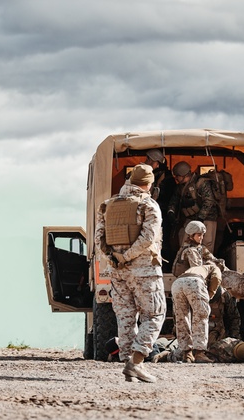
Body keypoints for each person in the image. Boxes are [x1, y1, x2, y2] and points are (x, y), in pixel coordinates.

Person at [94, 163, 166, 383]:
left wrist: (114, 258)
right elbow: (147, 239)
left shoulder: (107, 205)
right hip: (143, 271)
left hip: (117, 272)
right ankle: (135, 363)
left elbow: (99, 239)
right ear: (149, 183)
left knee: (125, 318)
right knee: (155, 315)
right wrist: (128, 256)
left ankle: (127, 363)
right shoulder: (149, 205)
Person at [168, 161, 225, 255]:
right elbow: (174, 201)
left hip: (207, 219)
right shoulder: (180, 188)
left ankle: (206, 267)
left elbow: (209, 201)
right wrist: (171, 212)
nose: (176, 179)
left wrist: (201, 217)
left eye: (177, 176)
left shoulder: (201, 183)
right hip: (191, 219)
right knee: (185, 244)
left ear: (183, 175)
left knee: (206, 247)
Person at [171, 262, 223, 363]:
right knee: (201, 316)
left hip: (177, 283)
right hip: (194, 282)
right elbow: (216, 279)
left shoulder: (195, 268)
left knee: (182, 318)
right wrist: (209, 295)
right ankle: (199, 353)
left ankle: (187, 354)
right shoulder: (213, 267)